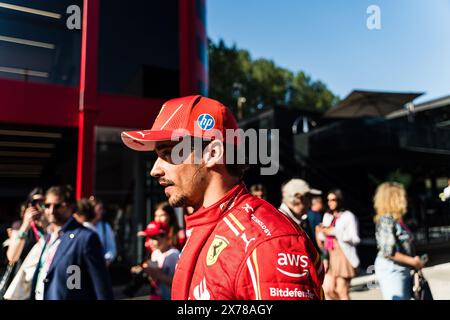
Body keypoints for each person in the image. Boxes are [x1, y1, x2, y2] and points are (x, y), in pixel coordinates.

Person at [121, 95, 324, 300]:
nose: (155, 170)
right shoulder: (205, 223)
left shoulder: (267, 243)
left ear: (212, 153)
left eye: (168, 153)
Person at [31, 185, 113, 300]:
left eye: (58, 205)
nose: (51, 210)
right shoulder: (49, 236)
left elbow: (101, 286)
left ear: (71, 207)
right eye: (47, 205)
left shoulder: (86, 238)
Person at [373, 182, 425, 300]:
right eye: (403, 196)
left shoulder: (396, 220)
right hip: (392, 269)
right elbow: (388, 252)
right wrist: (413, 261)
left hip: (401, 268)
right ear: (394, 198)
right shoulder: (386, 220)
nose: (406, 199)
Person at [319, 189, 360, 300]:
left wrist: (335, 231)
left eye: (333, 200)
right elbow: (323, 238)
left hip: (344, 255)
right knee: (327, 289)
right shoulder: (327, 215)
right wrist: (321, 232)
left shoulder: (348, 216)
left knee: (342, 290)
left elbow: (355, 238)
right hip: (330, 255)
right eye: (328, 200)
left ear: (340, 200)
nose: (330, 202)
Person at [141, 221, 180, 300]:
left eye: (154, 238)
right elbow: (154, 280)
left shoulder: (174, 255)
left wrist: (157, 274)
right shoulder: (155, 253)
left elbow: (178, 283)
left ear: (166, 237)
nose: (150, 242)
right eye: (149, 238)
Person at [92, 198, 117, 266]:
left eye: (102, 209)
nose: (102, 211)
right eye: (99, 209)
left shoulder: (105, 227)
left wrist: (105, 261)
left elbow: (111, 248)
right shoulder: (82, 226)